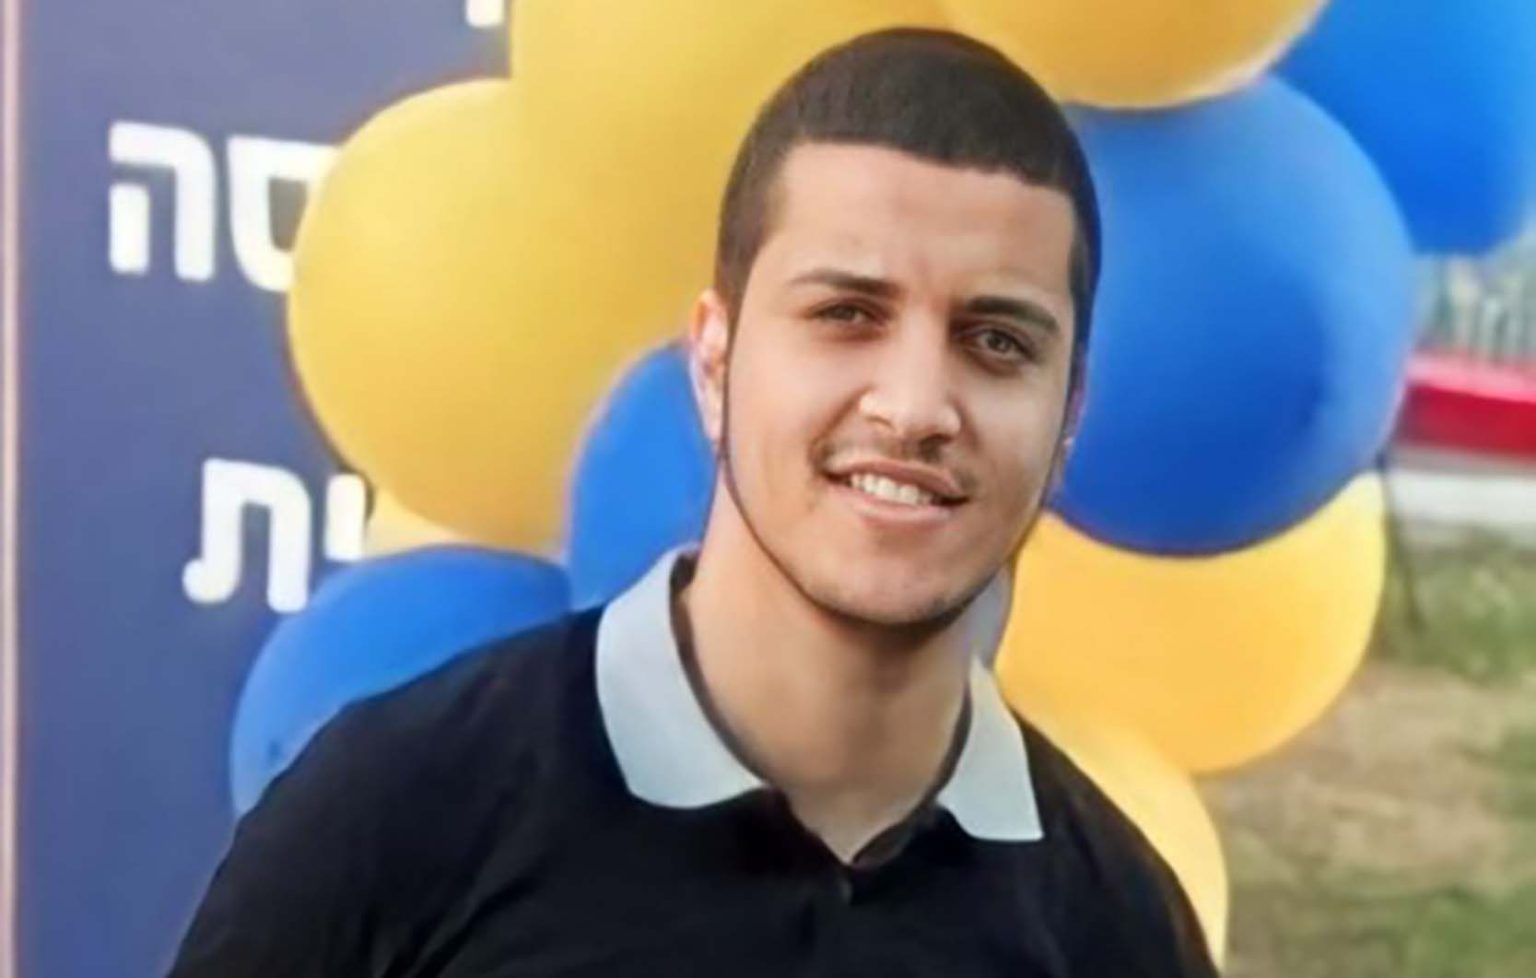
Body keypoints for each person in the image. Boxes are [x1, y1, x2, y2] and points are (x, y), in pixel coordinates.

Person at [168, 28, 1218, 977]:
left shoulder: (1114, 925)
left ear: (1067, 412)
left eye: (995, 341)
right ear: (713, 363)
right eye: (848, 314)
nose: (913, 407)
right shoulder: (401, 812)